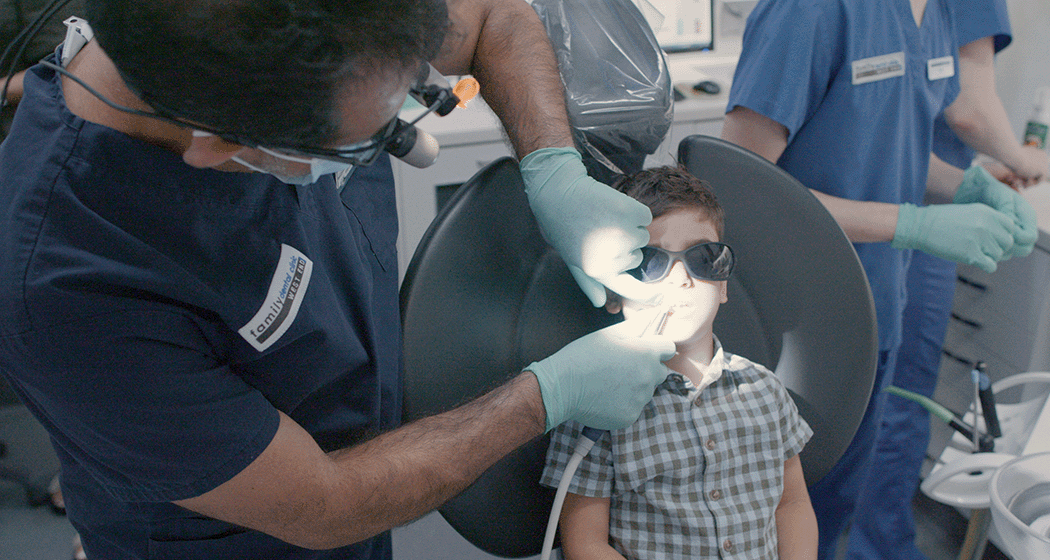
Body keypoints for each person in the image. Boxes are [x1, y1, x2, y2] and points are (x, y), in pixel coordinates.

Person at [0, 1, 676, 559]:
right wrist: (547, 396)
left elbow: (495, 15)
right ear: (220, 146)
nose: (408, 142)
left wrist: (552, 166)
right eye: (366, 141)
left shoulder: (333, 24)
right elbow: (322, 506)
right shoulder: (65, 287)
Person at [719, 0, 1038, 558]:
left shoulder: (933, 13)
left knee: (836, 507)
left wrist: (968, 184)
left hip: (877, 310)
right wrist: (909, 223)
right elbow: (737, 187)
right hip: (796, 325)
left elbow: (888, 137)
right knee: (777, 522)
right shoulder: (811, 12)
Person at [848, 0, 1049, 557]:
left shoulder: (926, 15)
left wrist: (971, 185)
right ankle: (874, 545)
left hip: (917, 192)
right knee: (893, 401)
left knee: (887, 400)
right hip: (900, 213)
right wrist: (1024, 161)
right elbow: (965, 108)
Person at [541, 166, 818, 560]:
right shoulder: (594, 408)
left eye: (702, 258)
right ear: (613, 288)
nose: (680, 278)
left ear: (722, 284)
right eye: (650, 261)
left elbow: (792, 505)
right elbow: (585, 543)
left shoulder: (765, 391)